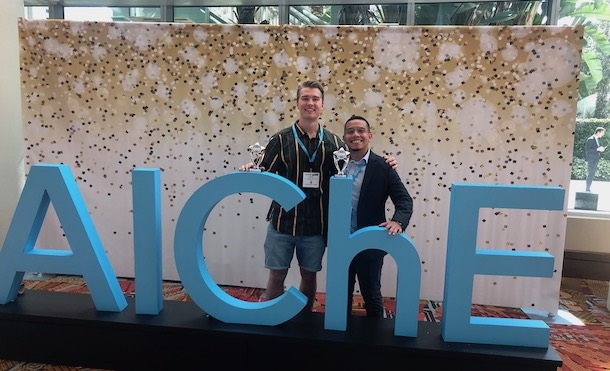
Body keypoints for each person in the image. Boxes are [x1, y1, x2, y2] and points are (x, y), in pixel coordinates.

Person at [240, 80, 396, 311]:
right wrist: (250, 168)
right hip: (283, 222)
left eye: (315, 99)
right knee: (276, 276)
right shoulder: (280, 139)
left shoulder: (334, 143)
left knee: (309, 276)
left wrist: (387, 162)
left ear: (322, 105)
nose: (310, 103)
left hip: (316, 225)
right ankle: (269, 324)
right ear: (297, 103)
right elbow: (265, 171)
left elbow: (356, 163)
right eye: (305, 98)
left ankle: (304, 321)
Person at [342, 115, 413, 318]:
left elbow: (404, 200)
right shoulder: (334, 163)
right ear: (344, 137)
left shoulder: (383, 166)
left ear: (370, 135)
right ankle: (337, 339)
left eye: (361, 130)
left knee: (371, 293)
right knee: (340, 293)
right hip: (341, 240)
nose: (356, 135)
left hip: (370, 243)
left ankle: (376, 339)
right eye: (350, 131)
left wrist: (397, 221)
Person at [585, 127, 606, 192]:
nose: (603, 134)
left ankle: (588, 187)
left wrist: (600, 149)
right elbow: (588, 150)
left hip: (595, 159)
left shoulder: (596, 139)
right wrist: (597, 149)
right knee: (590, 173)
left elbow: (594, 149)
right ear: (598, 132)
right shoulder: (591, 139)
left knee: (591, 173)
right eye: (602, 133)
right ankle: (587, 188)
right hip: (591, 159)